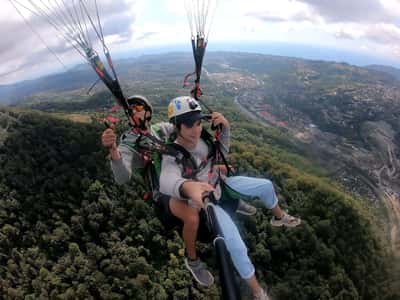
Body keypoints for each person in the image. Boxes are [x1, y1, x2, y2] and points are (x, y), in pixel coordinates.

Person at [101, 95, 259, 286]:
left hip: (182, 176)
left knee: (219, 169)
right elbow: (122, 177)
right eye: (131, 109)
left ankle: (232, 200)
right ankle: (193, 260)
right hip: (163, 192)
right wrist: (114, 152)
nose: (136, 111)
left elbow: (185, 132)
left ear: (148, 109)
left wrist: (211, 122)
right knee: (192, 216)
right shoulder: (129, 142)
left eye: (139, 106)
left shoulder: (161, 129)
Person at [159, 96, 301, 300]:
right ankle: (258, 292)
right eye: (189, 124)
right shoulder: (172, 154)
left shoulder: (203, 139)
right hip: (207, 200)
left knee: (266, 186)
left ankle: (279, 217)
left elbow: (220, 152)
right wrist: (188, 187)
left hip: (220, 183)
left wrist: (226, 128)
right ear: (177, 125)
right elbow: (167, 179)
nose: (196, 128)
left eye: (198, 122)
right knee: (236, 244)